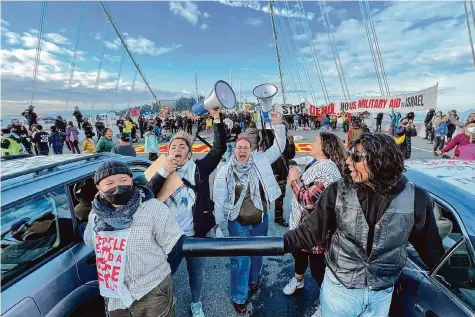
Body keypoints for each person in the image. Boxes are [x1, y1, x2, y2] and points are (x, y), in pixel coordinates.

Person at [283, 133, 445, 317]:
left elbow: (430, 247)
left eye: (357, 157)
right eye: (351, 154)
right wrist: (272, 244)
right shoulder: (337, 191)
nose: (349, 161)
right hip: (340, 290)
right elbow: (310, 232)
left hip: (382, 294)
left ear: (380, 160)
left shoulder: (417, 198)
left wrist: (459, 281)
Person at [147, 107, 225, 317]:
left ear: (189, 153)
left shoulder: (199, 169)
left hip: (195, 235)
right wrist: (164, 172)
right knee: (164, 274)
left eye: (183, 146)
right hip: (168, 238)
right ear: (168, 151)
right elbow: (147, 196)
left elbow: (219, 149)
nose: (178, 148)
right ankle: (163, 304)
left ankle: (196, 303)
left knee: (196, 273)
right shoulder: (159, 171)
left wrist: (216, 117)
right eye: (174, 146)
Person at [82, 160, 185, 317]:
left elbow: (175, 247)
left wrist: (162, 278)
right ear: (99, 187)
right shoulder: (95, 215)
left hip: (151, 290)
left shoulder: (152, 208)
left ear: (132, 181)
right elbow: (90, 240)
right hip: (114, 294)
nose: (118, 187)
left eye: (123, 180)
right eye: (109, 182)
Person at [213, 116, 286, 314]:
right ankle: (239, 296)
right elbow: (219, 199)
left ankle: (254, 280)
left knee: (258, 253)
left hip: (260, 220)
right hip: (238, 223)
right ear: (234, 151)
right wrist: (219, 226)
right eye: (239, 148)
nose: (243, 150)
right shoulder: (225, 170)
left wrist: (278, 126)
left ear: (251, 150)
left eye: (246, 147)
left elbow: (279, 147)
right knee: (240, 260)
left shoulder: (260, 160)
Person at [283, 132, 346, 296]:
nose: (312, 143)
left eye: (316, 141)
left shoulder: (328, 169)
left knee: (318, 268)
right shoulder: (319, 164)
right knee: (300, 255)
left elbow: (309, 200)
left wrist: (294, 180)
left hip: (316, 229)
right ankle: (298, 280)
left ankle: (326, 301)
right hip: (305, 225)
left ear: (325, 147)